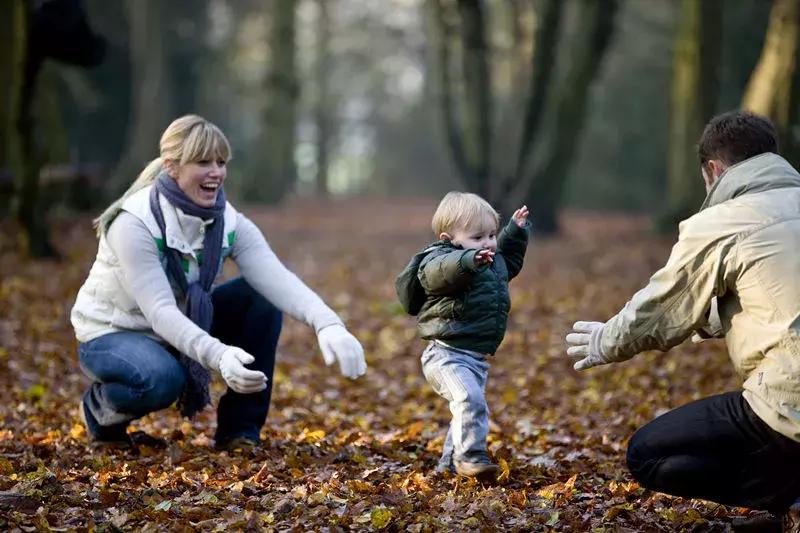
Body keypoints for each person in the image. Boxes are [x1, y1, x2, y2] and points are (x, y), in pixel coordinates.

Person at [71, 114, 367, 451]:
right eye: (203, 162)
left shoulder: (226, 220)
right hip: (114, 333)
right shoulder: (134, 222)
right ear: (171, 166)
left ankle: (240, 432)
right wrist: (220, 355)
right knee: (162, 378)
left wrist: (328, 324)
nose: (216, 172)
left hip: (180, 325)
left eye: (221, 162)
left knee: (259, 299)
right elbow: (160, 312)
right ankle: (100, 412)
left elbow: (276, 278)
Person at [565, 110, 800, 530]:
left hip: (790, 402)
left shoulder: (723, 220)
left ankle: (789, 499)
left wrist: (607, 340)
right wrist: (709, 318)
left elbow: (663, 306)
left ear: (713, 170)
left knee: (648, 453)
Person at [395, 192, 529, 477]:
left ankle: (448, 466)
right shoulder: (439, 259)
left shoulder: (490, 263)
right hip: (445, 354)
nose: (488, 243)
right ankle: (471, 456)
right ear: (448, 238)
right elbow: (442, 273)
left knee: (465, 409)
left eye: (491, 234)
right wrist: (467, 261)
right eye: (477, 237)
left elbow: (510, 262)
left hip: (475, 359)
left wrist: (514, 233)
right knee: (469, 400)